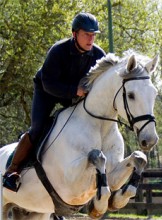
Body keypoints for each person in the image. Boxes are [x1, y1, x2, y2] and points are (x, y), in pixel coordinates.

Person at [3, 12, 106, 192]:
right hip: (47, 90)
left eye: (93, 35)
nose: (91, 39)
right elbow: (48, 83)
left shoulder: (98, 55)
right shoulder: (58, 51)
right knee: (37, 128)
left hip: (75, 95)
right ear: (75, 34)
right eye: (86, 34)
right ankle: (12, 171)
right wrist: (75, 90)